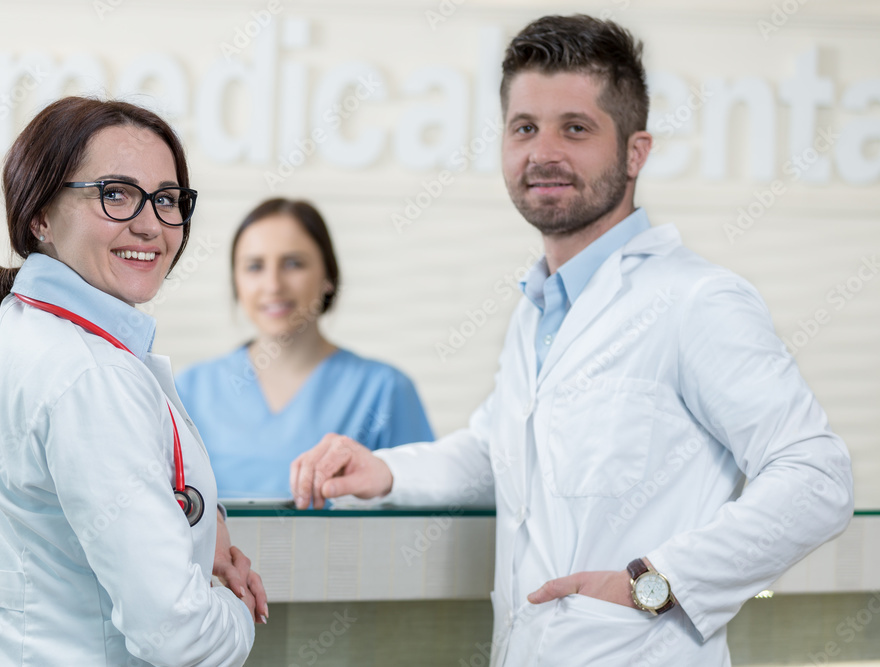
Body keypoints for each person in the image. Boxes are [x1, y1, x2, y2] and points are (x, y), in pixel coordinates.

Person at [291, 15, 854, 667]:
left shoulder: (697, 301)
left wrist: (659, 580)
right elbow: (502, 451)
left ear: (635, 151)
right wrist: (388, 469)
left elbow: (816, 475)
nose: (543, 152)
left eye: (575, 128)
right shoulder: (537, 309)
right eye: (524, 127)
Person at [0, 97, 267, 667]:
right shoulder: (89, 372)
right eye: (115, 194)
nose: (149, 224)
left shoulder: (17, 324)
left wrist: (202, 529)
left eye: (166, 200)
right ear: (39, 215)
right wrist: (236, 609)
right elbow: (178, 635)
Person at [176, 198, 434, 498]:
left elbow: (418, 509)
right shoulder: (189, 391)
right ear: (237, 281)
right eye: (254, 266)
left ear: (328, 277)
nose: (273, 285)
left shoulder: (385, 390)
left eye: (293, 264)